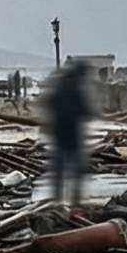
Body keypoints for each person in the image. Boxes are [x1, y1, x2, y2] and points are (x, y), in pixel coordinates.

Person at [44, 59, 96, 206]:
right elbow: (84, 109)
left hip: (60, 129)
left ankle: (58, 197)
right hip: (72, 130)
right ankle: (76, 197)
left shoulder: (60, 83)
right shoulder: (77, 87)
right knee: (76, 165)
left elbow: (51, 102)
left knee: (59, 165)